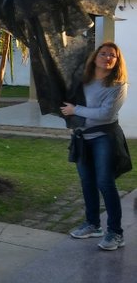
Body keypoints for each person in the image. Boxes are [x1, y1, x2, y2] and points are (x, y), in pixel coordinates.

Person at [61, 42, 128, 251]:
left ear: (117, 61)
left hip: (104, 137)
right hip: (82, 137)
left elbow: (105, 114)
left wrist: (75, 110)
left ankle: (116, 233)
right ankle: (93, 224)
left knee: (105, 183)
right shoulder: (83, 79)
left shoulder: (118, 85)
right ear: (95, 56)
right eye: (103, 53)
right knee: (87, 181)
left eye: (112, 55)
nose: (107, 57)